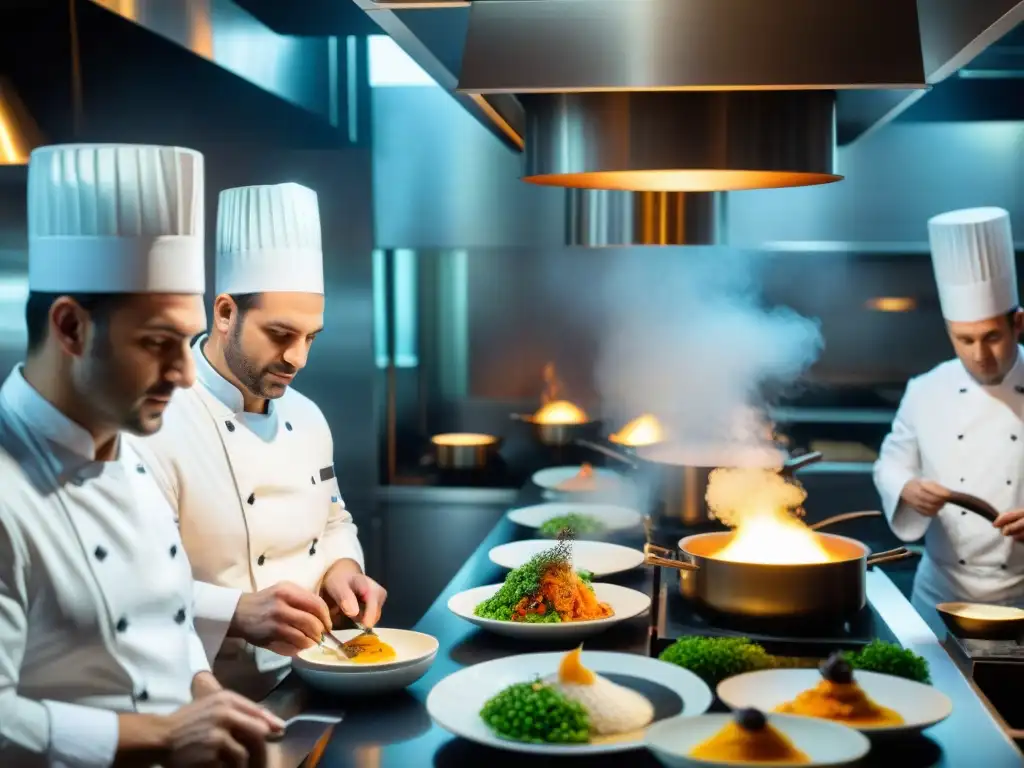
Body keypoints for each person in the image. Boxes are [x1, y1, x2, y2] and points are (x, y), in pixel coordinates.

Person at [0, 144, 283, 766]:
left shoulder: (126, 451)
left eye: (187, 341)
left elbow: (166, 615)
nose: (184, 375)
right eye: (158, 343)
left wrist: (209, 701)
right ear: (71, 328)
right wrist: (163, 736)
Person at [135, 182, 386, 699]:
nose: (299, 359)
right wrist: (233, 612)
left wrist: (344, 565)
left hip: (310, 677)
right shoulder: (152, 423)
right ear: (225, 313)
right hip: (200, 701)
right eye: (280, 334)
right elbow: (124, 581)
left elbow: (334, 518)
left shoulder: (309, 417)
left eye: (311, 337)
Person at [874, 206, 1024, 637]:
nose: (980, 355)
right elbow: (891, 462)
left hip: (1021, 603)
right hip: (938, 596)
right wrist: (907, 488)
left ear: (1018, 324)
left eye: (992, 337)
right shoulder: (926, 389)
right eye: (965, 340)